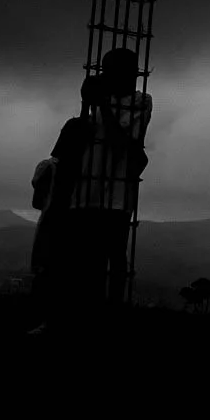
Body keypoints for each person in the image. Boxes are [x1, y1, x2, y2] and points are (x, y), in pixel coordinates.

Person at [53, 48, 152, 314]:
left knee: (115, 256)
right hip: (87, 187)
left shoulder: (140, 101)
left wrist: (101, 104)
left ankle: (111, 312)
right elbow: (83, 134)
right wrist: (86, 104)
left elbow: (121, 144)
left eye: (110, 71)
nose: (105, 76)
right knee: (87, 259)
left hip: (117, 192)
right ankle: (86, 310)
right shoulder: (101, 100)